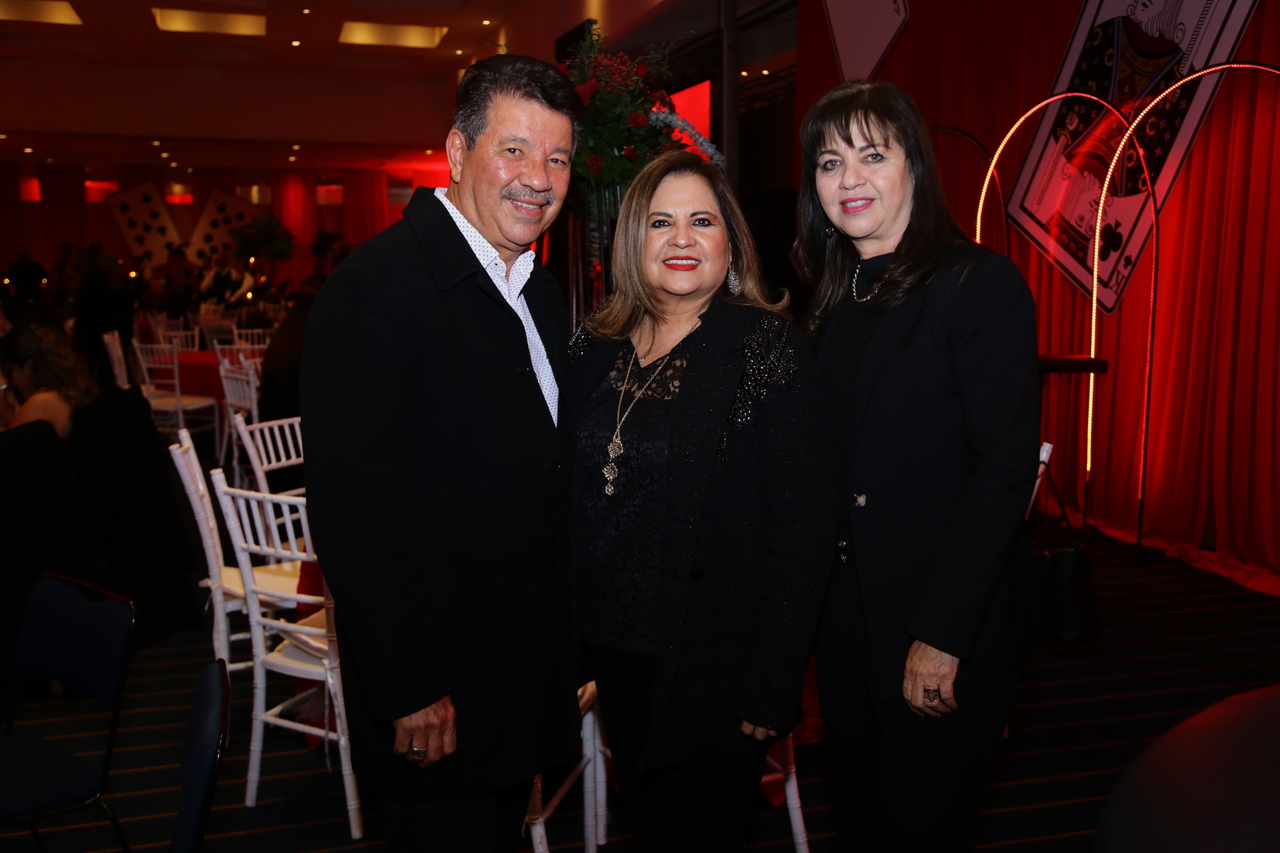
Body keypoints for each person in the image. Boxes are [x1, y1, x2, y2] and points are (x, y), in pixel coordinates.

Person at [301, 54, 584, 851]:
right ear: (459, 154)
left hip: (515, 679)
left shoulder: (536, 287)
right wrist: (411, 685)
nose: (539, 177)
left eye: (557, 158)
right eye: (516, 150)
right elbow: (357, 516)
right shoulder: (376, 290)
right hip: (437, 699)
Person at [793, 80, 1041, 852]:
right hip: (847, 628)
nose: (850, 179)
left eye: (873, 154)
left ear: (915, 167)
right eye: (830, 162)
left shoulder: (976, 284)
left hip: (933, 625)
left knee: (923, 825)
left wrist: (941, 633)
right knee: (864, 821)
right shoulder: (830, 299)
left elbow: (1002, 473)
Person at [567, 151, 838, 851]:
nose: (681, 239)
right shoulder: (595, 346)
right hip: (615, 661)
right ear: (634, 239)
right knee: (651, 825)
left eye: (701, 221)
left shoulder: (763, 347)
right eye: (661, 222)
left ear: (730, 243)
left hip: (714, 665)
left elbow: (805, 527)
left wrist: (775, 681)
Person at [0, 323, 97, 438]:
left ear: (28, 367)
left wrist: (1, 386)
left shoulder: (42, 401)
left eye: (12, 370)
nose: (12, 380)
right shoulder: (65, 391)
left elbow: (10, 449)